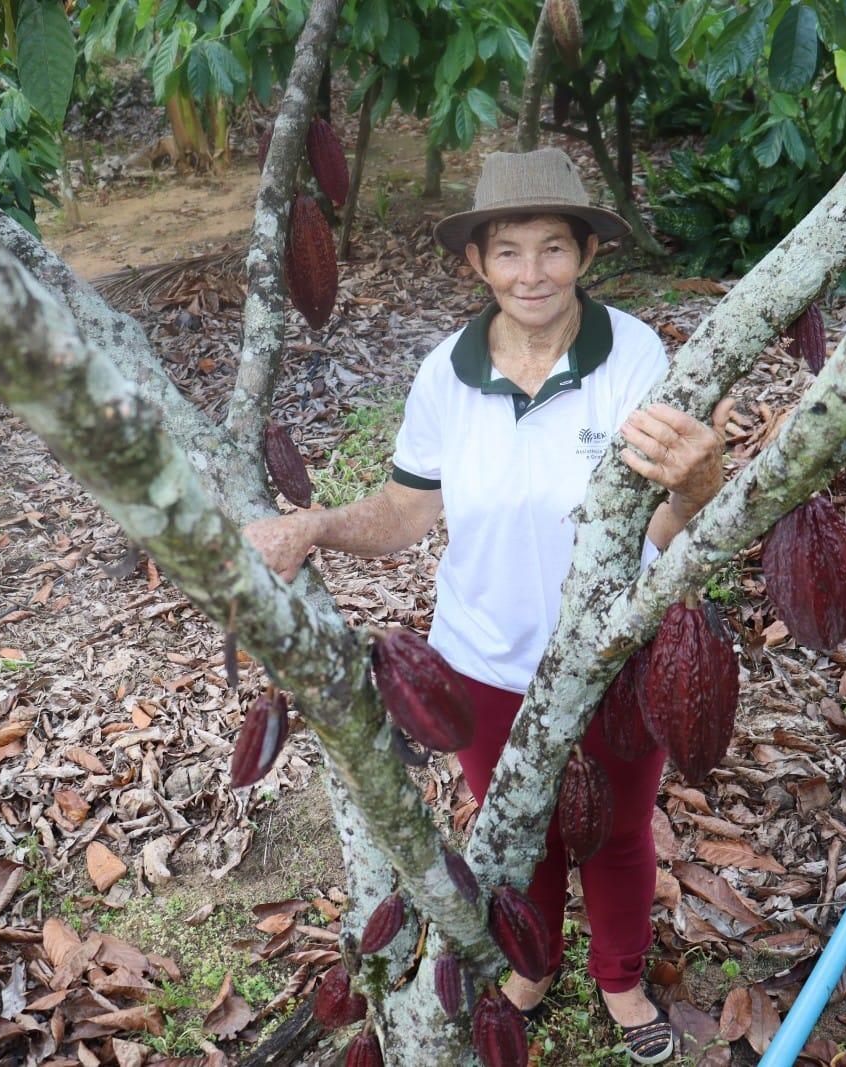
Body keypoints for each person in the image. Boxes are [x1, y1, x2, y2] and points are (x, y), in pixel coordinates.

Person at [243, 147, 736, 1064]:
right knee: (518, 829)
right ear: (477, 263)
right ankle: (535, 965)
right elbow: (405, 511)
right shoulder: (445, 374)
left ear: (587, 253)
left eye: (553, 247)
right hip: (479, 657)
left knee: (618, 830)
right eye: (508, 251)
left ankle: (623, 980)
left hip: (607, 654)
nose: (532, 272)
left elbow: (674, 512)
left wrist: (704, 480)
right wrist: (312, 524)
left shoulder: (635, 356)